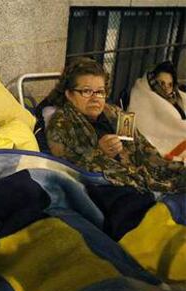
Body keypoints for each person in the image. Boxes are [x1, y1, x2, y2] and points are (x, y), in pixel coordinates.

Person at [39, 57, 185, 239]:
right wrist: (99, 152)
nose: (95, 98)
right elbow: (65, 167)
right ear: (69, 94)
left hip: (144, 177)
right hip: (113, 187)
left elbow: (144, 149)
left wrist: (170, 168)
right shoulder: (61, 124)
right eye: (86, 91)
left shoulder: (117, 114)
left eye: (100, 92)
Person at [128, 61, 186, 161]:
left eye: (170, 85)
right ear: (153, 82)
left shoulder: (177, 98)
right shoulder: (144, 98)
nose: (166, 88)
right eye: (161, 83)